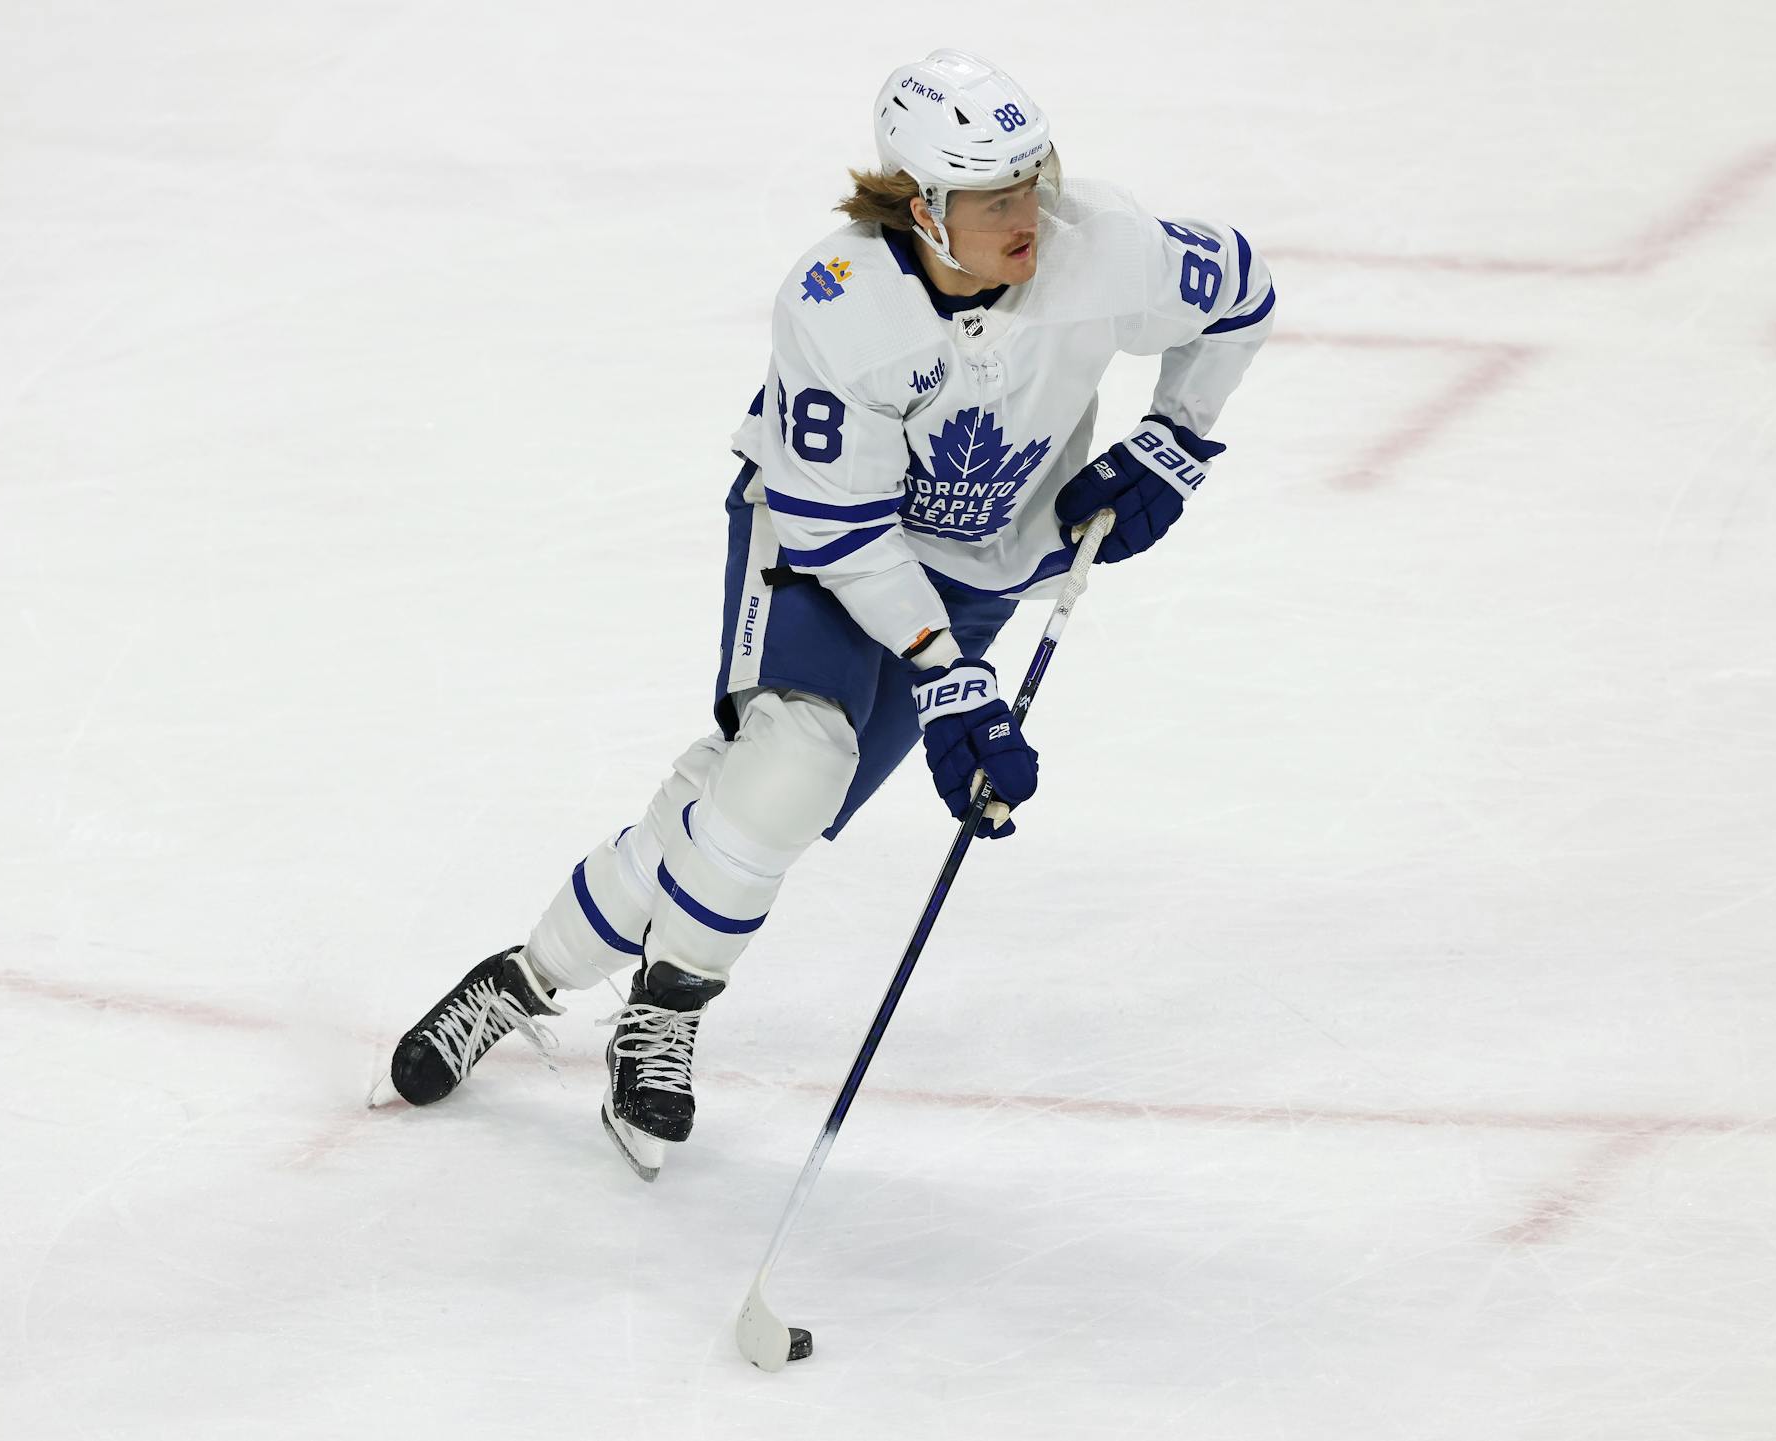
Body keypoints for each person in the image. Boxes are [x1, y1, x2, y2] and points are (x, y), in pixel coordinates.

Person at [382, 49, 1276, 1180]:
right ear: (918, 208)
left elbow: (1242, 292)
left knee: (750, 807)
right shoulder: (840, 307)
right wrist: (948, 673)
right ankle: (667, 1006)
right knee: (793, 763)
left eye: (1032, 181)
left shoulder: (1107, 246)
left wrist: (1180, 436)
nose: (1028, 216)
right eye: (993, 198)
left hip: (981, 563)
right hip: (822, 547)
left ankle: (522, 977)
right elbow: (844, 533)